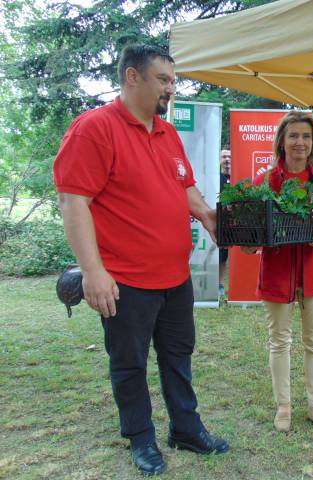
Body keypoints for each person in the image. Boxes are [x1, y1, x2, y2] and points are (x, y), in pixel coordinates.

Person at [53, 45, 229, 476]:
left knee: (178, 356)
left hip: (174, 277)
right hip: (125, 280)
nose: (171, 89)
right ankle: (141, 438)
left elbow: (184, 185)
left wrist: (206, 215)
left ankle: (186, 429)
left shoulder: (166, 133)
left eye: (174, 81)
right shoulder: (95, 129)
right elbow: (73, 202)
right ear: (132, 77)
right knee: (129, 364)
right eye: (163, 80)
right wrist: (93, 272)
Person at [241, 111, 313, 435]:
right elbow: (254, 231)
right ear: (282, 141)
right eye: (294, 135)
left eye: (306, 136)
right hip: (277, 274)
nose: (300, 142)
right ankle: (283, 406)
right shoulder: (266, 182)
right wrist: (249, 243)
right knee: (279, 342)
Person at [218, 148, 231, 297]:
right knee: (218, 253)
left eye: (229, 157)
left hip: (234, 223)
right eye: (224, 157)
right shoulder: (215, 177)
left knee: (225, 255)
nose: (227, 159)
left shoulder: (238, 177)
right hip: (218, 221)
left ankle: (222, 284)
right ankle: (216, 284)